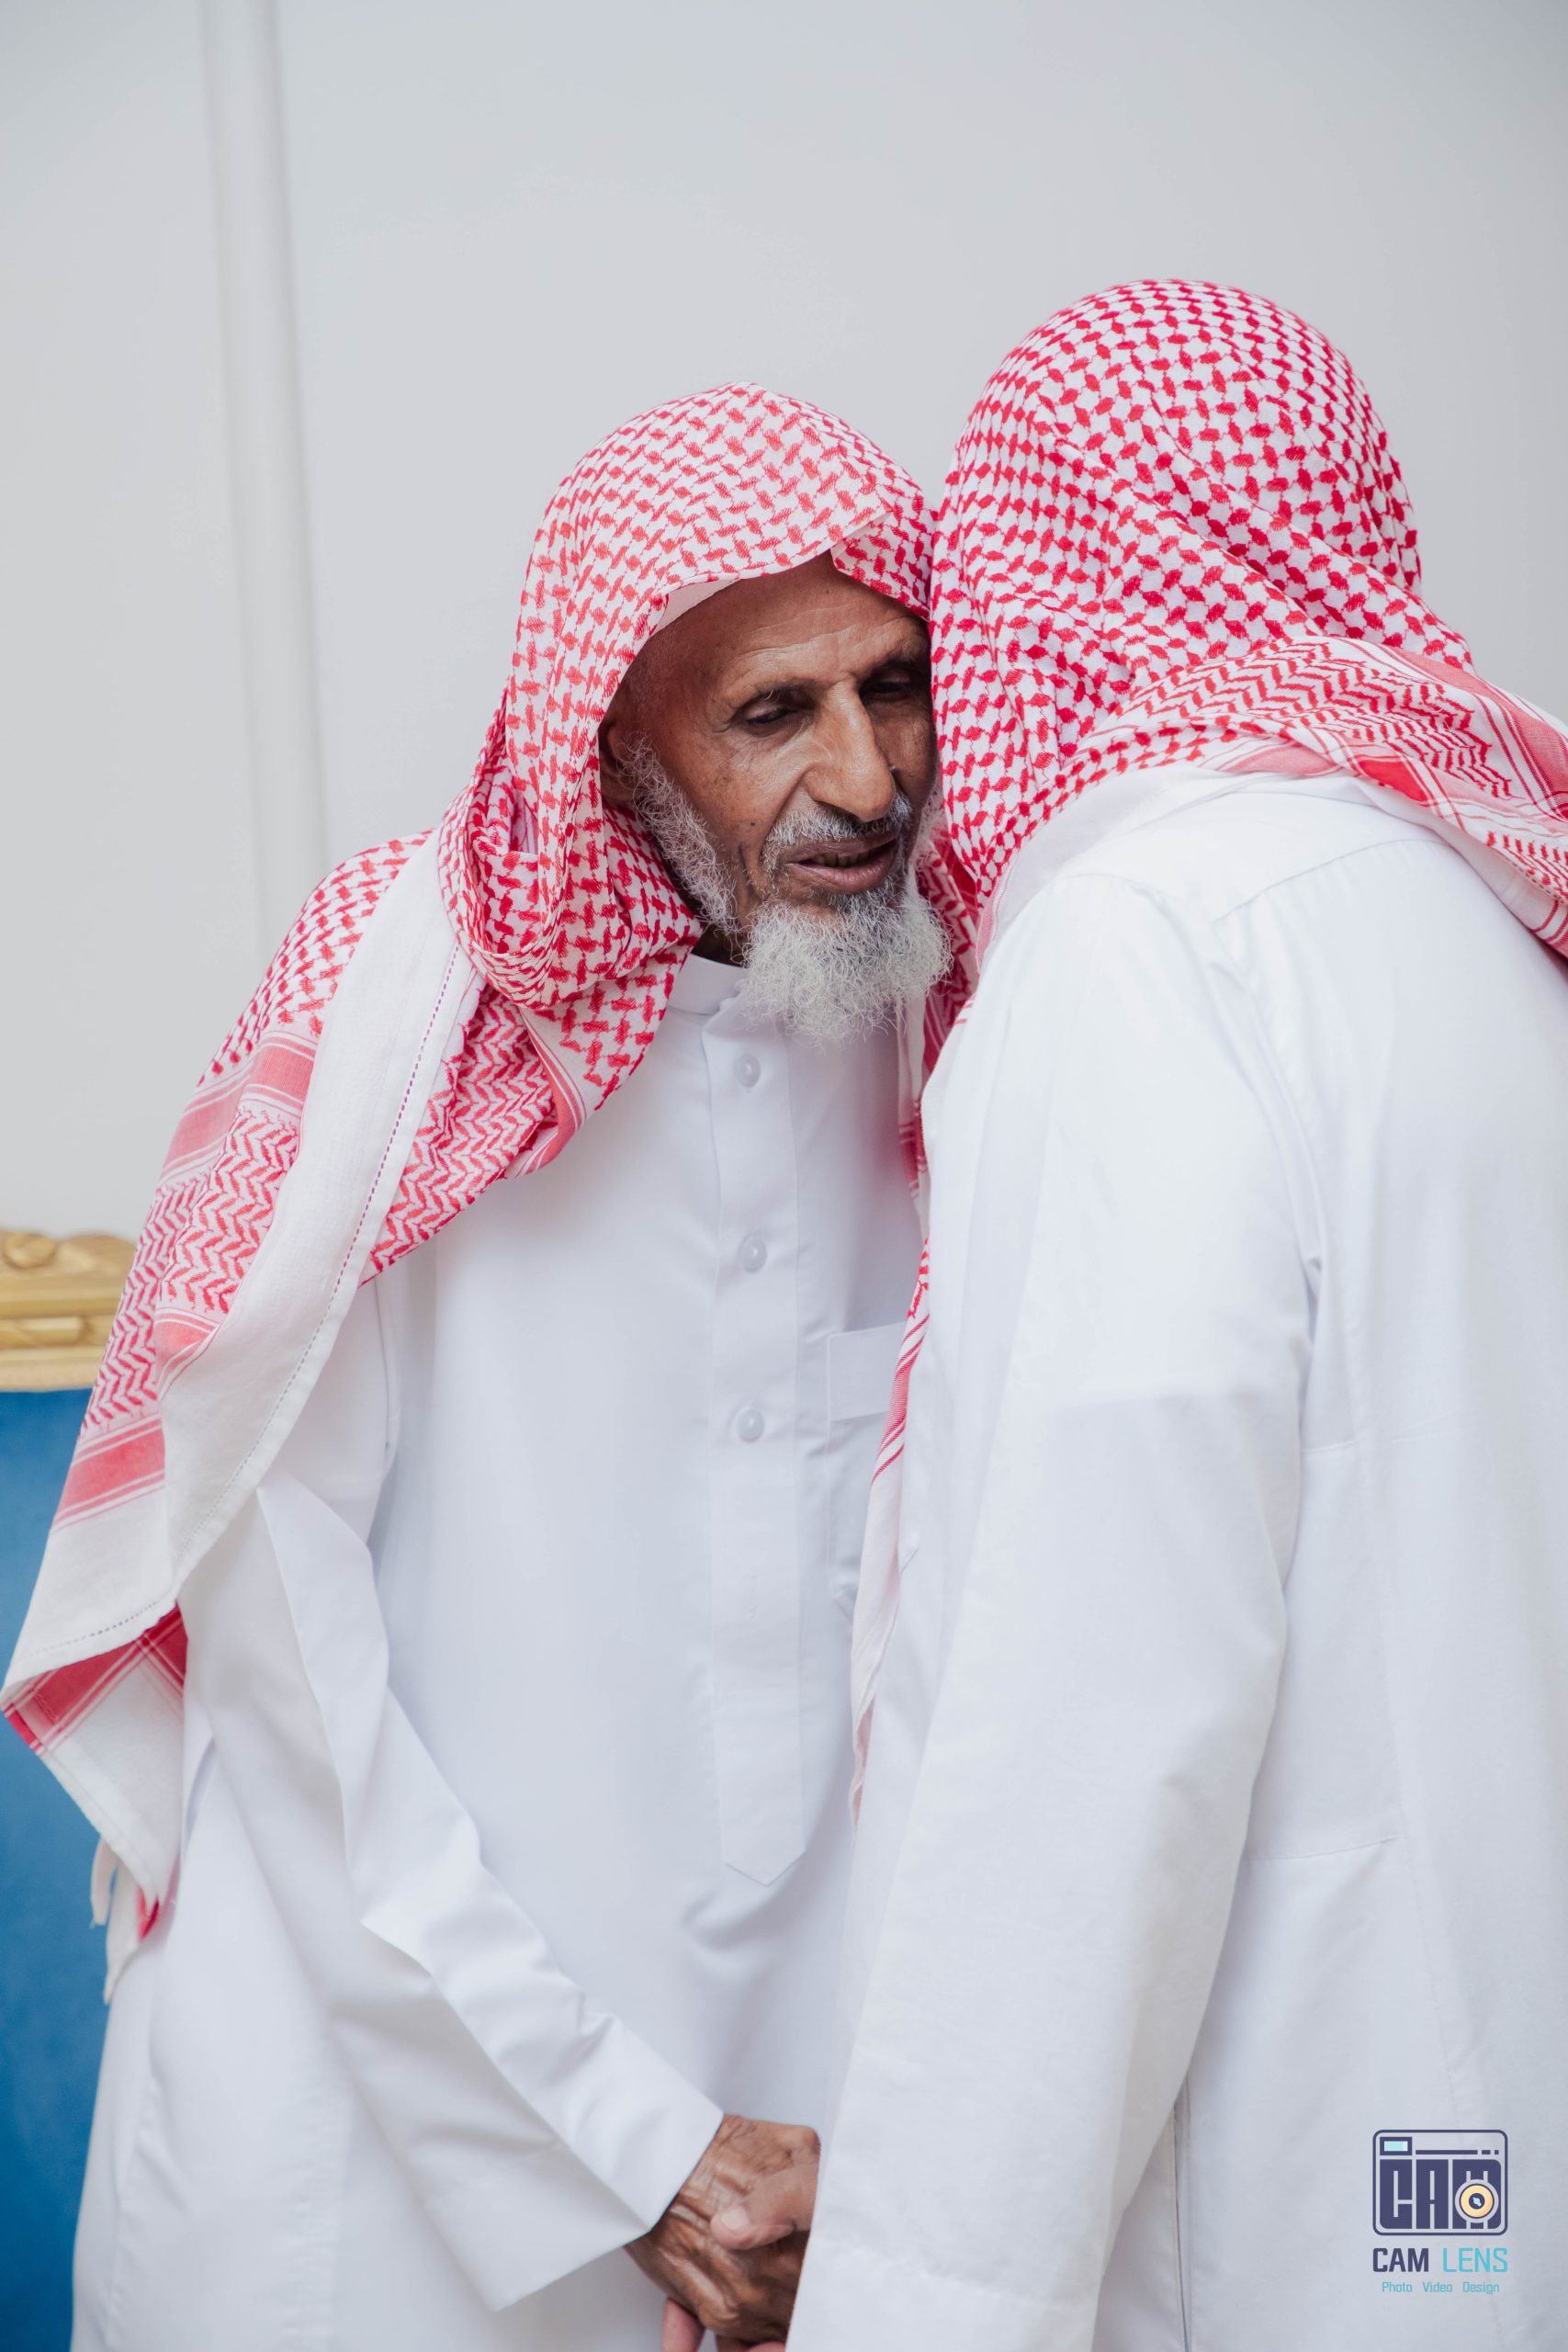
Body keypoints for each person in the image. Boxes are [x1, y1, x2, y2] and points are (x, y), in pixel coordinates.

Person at [3, 383, 970, 2351]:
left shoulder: (943, 1006)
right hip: (382, 2101)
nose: (866, 778)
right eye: (771, 713)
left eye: (893, 684)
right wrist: (624, 2144)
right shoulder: (405, 1006)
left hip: (812, 2123)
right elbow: (287, 1662)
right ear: (612, 741)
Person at [788, 283, 1568, 2350]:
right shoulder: (1467, 917)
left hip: (1300, 2178)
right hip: (1472, 2135)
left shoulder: (1147, 950)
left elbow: (1086, 1717)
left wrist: (919, 2311)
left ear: (1038, 591)